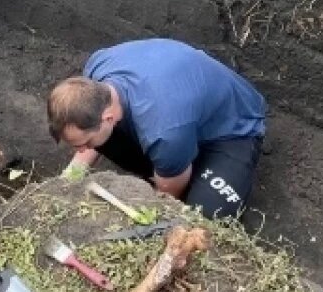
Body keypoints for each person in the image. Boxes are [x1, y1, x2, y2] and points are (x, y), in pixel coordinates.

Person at [47, 39, 268, 219]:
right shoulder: (98, 68)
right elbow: (90, 134)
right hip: (177, 114)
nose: (81, 149)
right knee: (104, 139)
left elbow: (168, 194)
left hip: (231, 130)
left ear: (108, 117)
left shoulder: (164, 133)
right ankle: (172, 162)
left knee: (204, 216)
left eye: (85, 143)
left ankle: (182, 166)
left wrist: (150, 210)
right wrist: (69, 179)